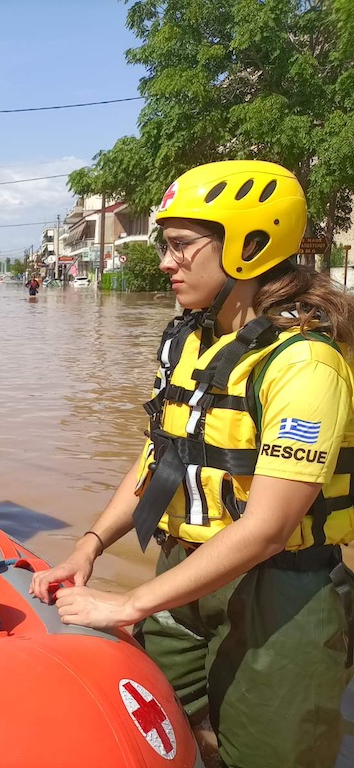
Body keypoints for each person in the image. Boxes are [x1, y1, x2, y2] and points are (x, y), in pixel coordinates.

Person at [29, 160, 354, 768]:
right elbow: (161, 458)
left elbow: (267, 529)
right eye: (165, 246)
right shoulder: (191, 340)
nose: (165, 262)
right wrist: (90, 546)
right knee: (154, 733)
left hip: (281, 588)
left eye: (181, 246)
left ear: (251, 246)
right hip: (184, 572)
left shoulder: (306, 364)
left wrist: (128, 604)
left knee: (266, 752)